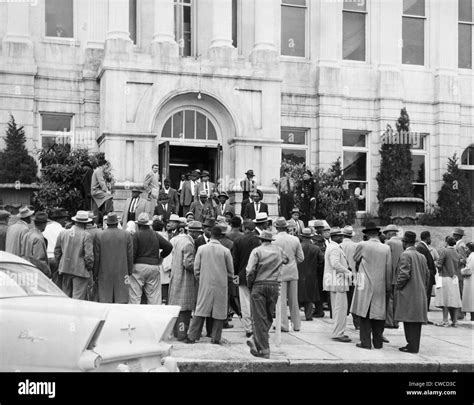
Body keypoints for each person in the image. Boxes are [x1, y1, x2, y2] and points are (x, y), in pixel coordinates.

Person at [186, 226, 235, 344]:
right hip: (221, 284)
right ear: (221, 236)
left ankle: (192, 336)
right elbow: (231, 272)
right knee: (219, 311)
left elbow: (196, 269)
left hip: (205, 283)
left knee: (201, 309)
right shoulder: (225, 251)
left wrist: (201, 279)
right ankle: (215, 337)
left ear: (210, 235)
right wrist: (226, 280)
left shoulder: (202, 249)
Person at [246, 230, 289, 359]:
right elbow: (287, 260)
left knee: (259, 317)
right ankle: (255, 339)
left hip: (259, 284)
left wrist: (250, 284)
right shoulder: (279, 250)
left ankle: (264, 349)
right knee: (269, 316)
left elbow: (250, 270)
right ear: (271, 240)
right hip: (274, 285)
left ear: (260, 240)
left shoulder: (257, 251)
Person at [351, 222, 392, 350]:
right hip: (380, 284)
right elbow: (388, 268)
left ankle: (365, 342)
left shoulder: (362, 245)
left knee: (364, 315)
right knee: (378, 315)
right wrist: (388, 286)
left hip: (366, 284)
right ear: (377, 234)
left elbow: (355, 258)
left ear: (367, 234)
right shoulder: (386, 248)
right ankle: (378, 342)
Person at [394, 231, 430, 354]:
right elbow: (427, 275)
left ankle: (411, 345)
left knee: (408, 320)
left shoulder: (405, 255)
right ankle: (414, 345)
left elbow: (404, 274)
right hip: (420, 292)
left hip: (408, 292)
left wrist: (398, 286)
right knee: (416, 322)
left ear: (404, 242)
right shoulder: (422, 256)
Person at [129, 213, 172, 305]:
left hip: (138, 266)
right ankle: (155, 317)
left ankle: (134, 317)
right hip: (153, 266)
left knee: (135, 297)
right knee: (154, 298)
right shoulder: (155, 234)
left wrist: (130, 268)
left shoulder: (136, 235)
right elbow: (168, 246)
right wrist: (161, 257)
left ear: (138, 225)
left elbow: (132, 253)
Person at [168, 221, 201, 340]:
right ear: (193, 232)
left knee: (177, 308)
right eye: (198, 232)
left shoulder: (178, 240)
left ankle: (177, 333)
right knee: (184, 310)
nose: (199, 235)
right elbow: (188, 263)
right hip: (185, 279)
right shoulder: (188, 244)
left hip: (176, 276)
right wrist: (198, 269)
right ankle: (182, 334)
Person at [273, 217, 304, 332]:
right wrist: (292, 262)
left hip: (279, 272)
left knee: (281, 300)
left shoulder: (274, 239)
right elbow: (301, 258)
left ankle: (283, 324)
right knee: (293, 300)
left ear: (276, 227)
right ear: (286, 227)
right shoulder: (295, 239)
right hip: (293, 272)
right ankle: (296, 325)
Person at [54, 211, 94, 300]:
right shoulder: (86, 235)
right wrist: (89, 267)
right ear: (86, 223)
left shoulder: (63, 233)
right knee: (78, 297)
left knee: (66, 296)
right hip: (80, 270)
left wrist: (60, 263)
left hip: (65, 268)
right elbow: (89, 256)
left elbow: (57, 251)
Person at [232, 219, 261, 337]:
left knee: (245, 303)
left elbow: (235, 260)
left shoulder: (239, 240)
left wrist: (235, 274)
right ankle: (257, 326)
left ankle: (249, 328)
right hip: (258, 275)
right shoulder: (259, 240)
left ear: (244, 228)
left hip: (243, 275)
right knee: (257, 302)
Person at [323, 228, 352, 342]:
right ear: (334, 237)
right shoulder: (334, 248)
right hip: (338, 282)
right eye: (340, 236)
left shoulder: (333, 246)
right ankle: (338, 333)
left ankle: (338, 331)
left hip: (335, 282)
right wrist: (348, 272)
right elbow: (335, 264)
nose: (342, 237)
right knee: (340, 309)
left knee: (337, 309)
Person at [434, 236, 463, 327]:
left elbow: (439, 264)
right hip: (454, 278)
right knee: (453, 300)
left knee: (445, 300)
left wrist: (435, 263)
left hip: (445, 277)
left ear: (447, 242)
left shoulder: (445, 251)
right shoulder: (456, 252)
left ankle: (445, 320)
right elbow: (461, 261)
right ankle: (454, 321)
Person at [298, 228, 324, 321]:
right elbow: (321, 261)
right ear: (311, 237)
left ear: (301, 236)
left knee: (297, 296)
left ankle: (295, 316)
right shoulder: (316, 248)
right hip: (312, 275)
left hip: (299, 274)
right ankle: (308, 316)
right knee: (309, 297)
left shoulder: (298, 247)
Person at [383, 224, 404, 329]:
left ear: (390, 233)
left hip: (391, 274)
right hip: (400, 275)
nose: (385, 235)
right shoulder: (401, 243)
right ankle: (396, 321)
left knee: (390, 299)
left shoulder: (389, 243)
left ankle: (389, 321)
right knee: (397, 300)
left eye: (386, 233)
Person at [341, 225, 360, 329]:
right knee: (354, 301)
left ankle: (341, 323)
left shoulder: (339, 245)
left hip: (341, 276)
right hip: (354, 276)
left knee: (342, 301)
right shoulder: (356, 246)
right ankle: (357, 324)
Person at [416, 231, 437, 321]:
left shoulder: (422, 247)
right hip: (427, 276)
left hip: (428, 275)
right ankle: (423, 317)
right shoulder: (421, 247)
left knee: (426, 296)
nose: (430, 239)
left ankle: (424, 317)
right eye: (430, 237)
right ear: (427, 237)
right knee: (425, 296)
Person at [23, 212, 50, 277]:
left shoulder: (28, 234)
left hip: (27, 268)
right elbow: (39, 260)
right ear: (44, 224)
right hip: (36, 272)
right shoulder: (38, 238)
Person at [91, 154, 114, 225]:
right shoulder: (99, 171)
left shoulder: (98, 171)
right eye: (105, 165)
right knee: (109, 196)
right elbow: (101, 182)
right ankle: (108, 213)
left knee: (96, 211)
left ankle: (97, 221)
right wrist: (107, 191)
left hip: (96, 191)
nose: (106, 167)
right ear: (103, 165)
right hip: (96, 191)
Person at [453, 228, 468, 320]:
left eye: (454, 235)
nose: (453, 236)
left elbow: (463, 259)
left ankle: (460, 314)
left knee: (459, 292)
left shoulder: (460, 246)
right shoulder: (459, 245)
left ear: (458, 236)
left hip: (458, 272)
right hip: (458, 272)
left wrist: (455, 261)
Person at [461, 242, 474, 321]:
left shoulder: (472, 257)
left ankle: (472, 317)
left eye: (466, 248)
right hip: (470, 279)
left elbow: (469, 269)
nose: (465, 250)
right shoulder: (471, 256)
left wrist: (461, 271)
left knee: (470, 298)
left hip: (470, 279)